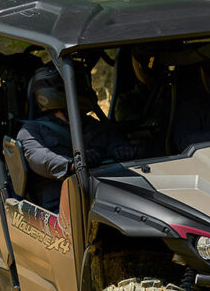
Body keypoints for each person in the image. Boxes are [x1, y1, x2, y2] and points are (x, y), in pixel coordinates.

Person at [17, 64, 136, 211]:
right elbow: (39, 158)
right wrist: (71, 164)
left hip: (103, 200)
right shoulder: (32, 130)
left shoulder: (94, 124)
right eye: (77, 86)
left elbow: (113, 139)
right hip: (58, 207)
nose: (84, 91)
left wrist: (121, 151)